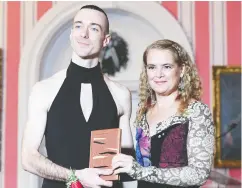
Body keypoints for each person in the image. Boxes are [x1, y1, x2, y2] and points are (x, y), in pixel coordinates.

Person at [21, 5, 133, 188]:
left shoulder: (121, 94)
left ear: (106, 40)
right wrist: (76, 176)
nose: (84, 34)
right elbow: (28, 158)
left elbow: (126, 163)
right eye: (79, 26)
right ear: (71, 33)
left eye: (94, 28)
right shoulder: (44, 90)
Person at [112, 39, 215, 188]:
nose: (158, 74)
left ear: (182, 70)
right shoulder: (144, 111)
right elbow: (140, 166)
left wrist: (141, 172)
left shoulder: (197, 111)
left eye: (167, 67)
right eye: (152, 67)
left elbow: (198, 174)